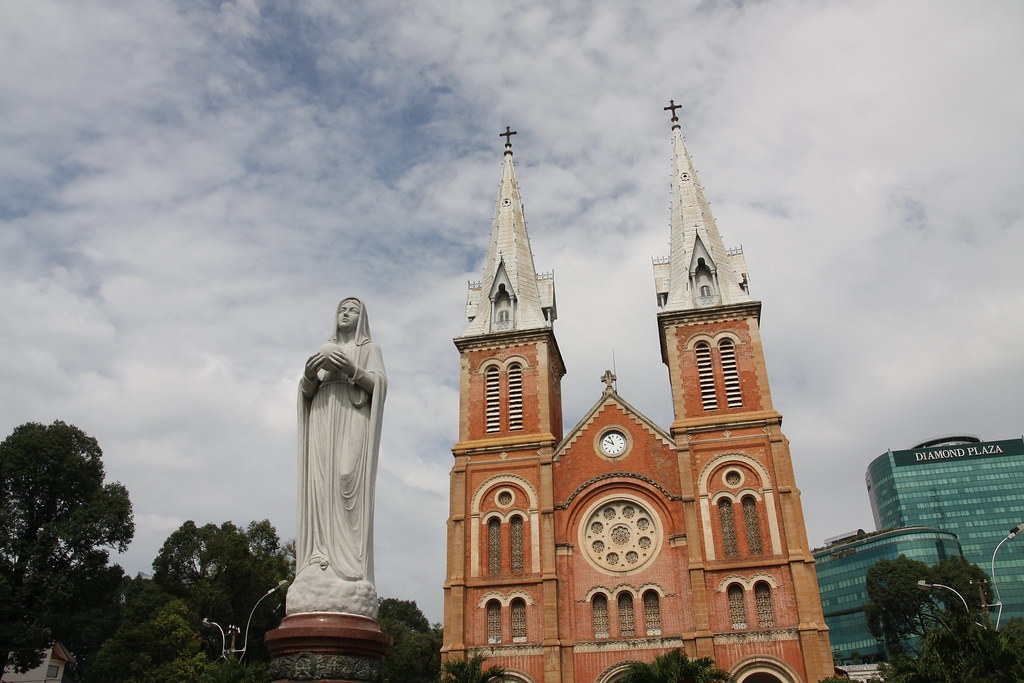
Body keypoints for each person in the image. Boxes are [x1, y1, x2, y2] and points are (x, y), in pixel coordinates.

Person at [288, 297, 387, 617]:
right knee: (322, 486)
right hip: (323, 421)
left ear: (362, 319)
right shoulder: (323, 348)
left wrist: (352, 369)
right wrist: (307, 373)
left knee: (347, 479)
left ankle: (350, 565)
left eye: (353, 310)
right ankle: (319, 557)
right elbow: (306, 392)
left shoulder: (369, 349)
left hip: (353, 417)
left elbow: (379, 385)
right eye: (342, 310)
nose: (346, 314)